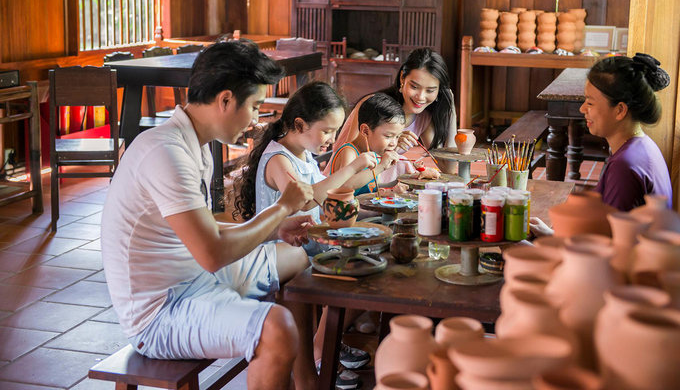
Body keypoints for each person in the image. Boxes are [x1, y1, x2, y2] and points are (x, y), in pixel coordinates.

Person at [101, 41, 319, 390]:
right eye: (255, 106)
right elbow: (212, 252)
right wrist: (282, 208)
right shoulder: (165, 153)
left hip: (193, 278)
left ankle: (307, 380)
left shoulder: (190, 145)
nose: (256, 119)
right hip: (160, 312)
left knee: (297, 256)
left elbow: (201, 230)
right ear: (226, 100)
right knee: (278, 329)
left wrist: (276, 229)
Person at [232, 81, 377, 390]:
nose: (331, 139)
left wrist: (372, 173)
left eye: (335, 132)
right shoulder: (279, 159)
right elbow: (307, 199)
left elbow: (326, 194)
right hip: (280, 250)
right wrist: (352, 168)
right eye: (326, 131)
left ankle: (326, 348)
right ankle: (323, 350)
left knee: (372, 244)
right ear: (299, 124)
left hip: (305, 243)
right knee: (361, 270)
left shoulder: (302, 152)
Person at [333, 48, 458, 172]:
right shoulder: (373, 106)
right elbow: (350, 163)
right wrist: (393, 146)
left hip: (376, 182)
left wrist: (450, 109)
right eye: (414, 87)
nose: (420, 97)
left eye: (430, 90)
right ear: (402, 78)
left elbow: (448, 168)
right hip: (341, 183)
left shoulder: (424, 118)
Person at [580, 53, 673, 211]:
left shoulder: (624, 166)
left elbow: (615, 233)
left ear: (620, 110)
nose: (582, 109)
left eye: (590, 102)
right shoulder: (642, 145)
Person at [327, 93, 438, 194]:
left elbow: (372, 188)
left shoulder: (373, 153)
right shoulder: (349, 152)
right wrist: (380, 167)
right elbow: (346, 186)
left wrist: (406, 182)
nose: (394, 143)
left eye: (398, 136)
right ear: (365, 131)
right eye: (388, 136)